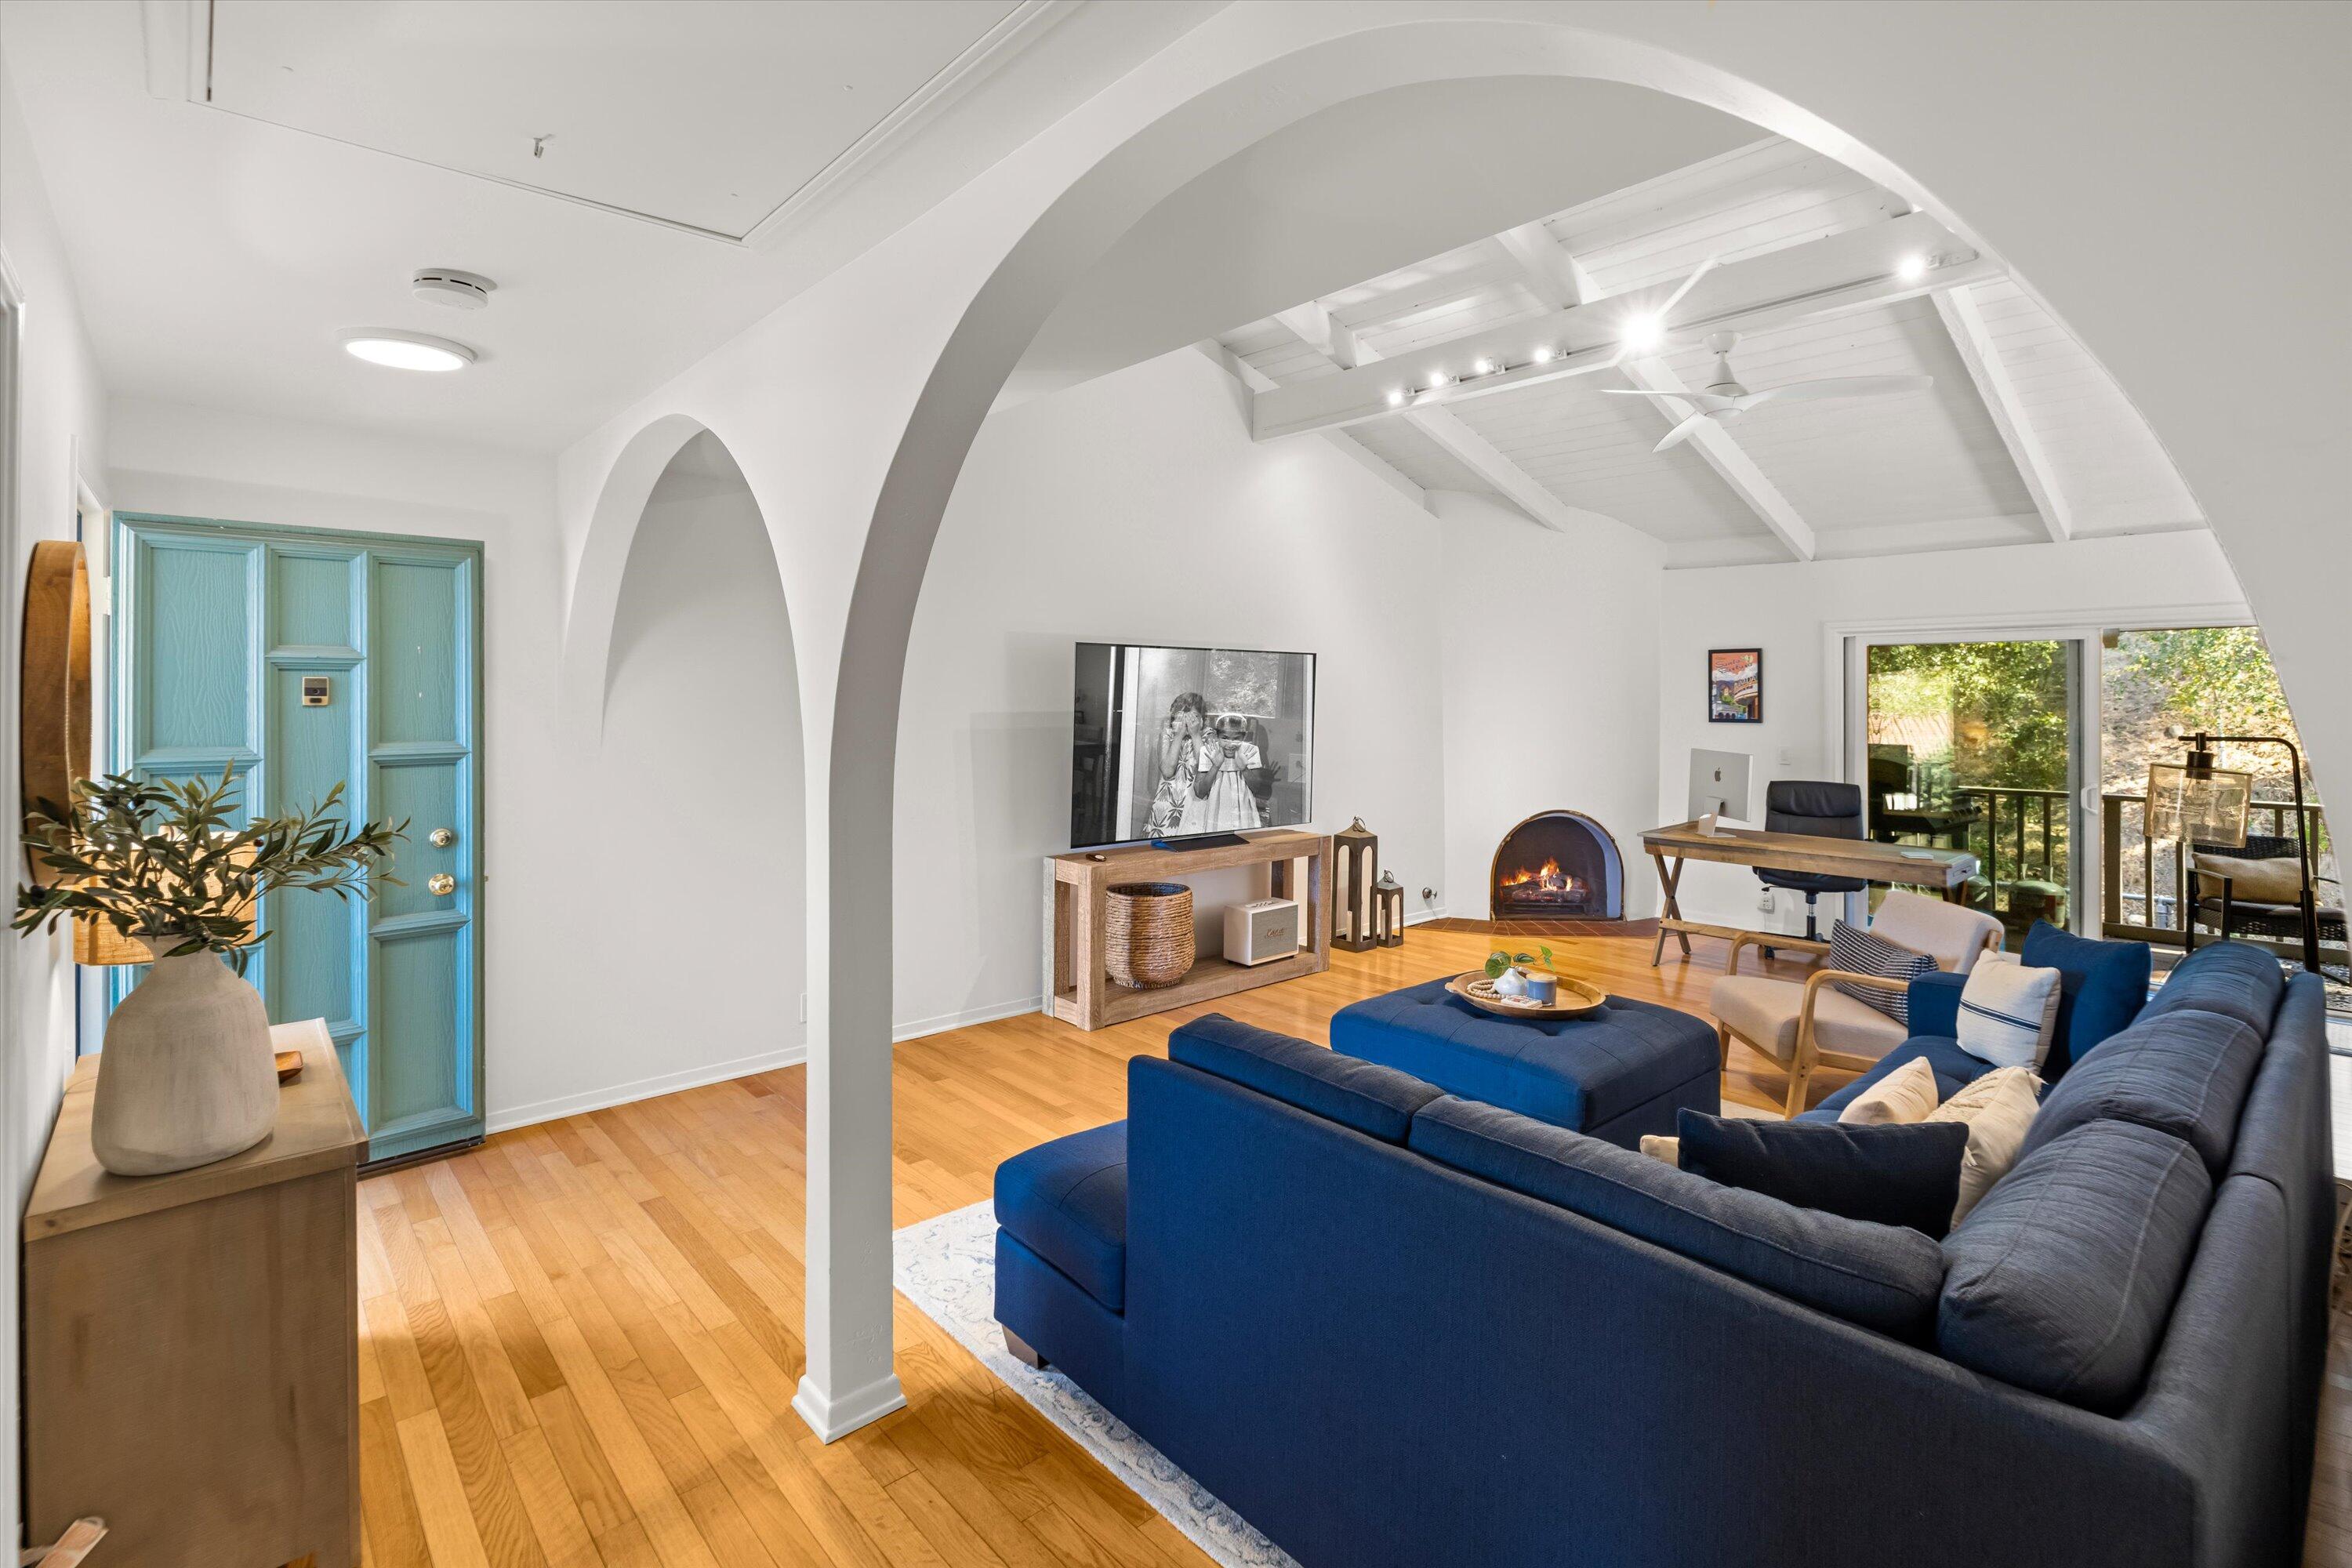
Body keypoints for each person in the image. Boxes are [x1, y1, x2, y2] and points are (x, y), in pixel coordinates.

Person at [1182, 712, 1267, 833]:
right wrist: (1216, 766)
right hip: (1213, 811)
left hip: (1242, 811)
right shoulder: (1207, 751)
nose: (1230, 744)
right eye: (1225, 738)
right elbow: (1200, 793)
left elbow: (1257, 788)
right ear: (1217, 736)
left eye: (1236, 739)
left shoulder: (1251, 751)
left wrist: (1244, 768)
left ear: (1244, 737)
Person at [1145, 691, 1209, 836]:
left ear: (1202, 720)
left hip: (1194, 803)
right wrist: (1179, 735)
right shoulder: (1167, 735)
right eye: (1182, 718)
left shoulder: (1207, 735)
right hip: (1167, 804)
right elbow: (1167, 771)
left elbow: (1205, 768)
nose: (1187, 723)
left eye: (1193, 718)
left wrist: (1196, 735)